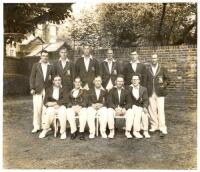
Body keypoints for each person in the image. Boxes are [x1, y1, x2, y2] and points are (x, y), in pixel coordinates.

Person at [29, 50, 55, 133]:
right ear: (40, 57)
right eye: (43, 55)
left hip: (47, 90)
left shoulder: (51, 66)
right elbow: (32, 77)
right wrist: (32, 88)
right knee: (37, 108)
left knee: (46, 109)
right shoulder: (36, 65)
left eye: (46, 56)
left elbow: (53, 79)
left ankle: (45, 126)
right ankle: (36, 126)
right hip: (37, 90)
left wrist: (52, 90)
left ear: (48, 57)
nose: (45, 57)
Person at [146, 53, 170, 137]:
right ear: (151, 59)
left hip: (160, 92)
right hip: (150, 92)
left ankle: (162, 127)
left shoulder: (162, 68)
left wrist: (163, 85)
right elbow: (146, 80)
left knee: (160, 110)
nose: (153, 60)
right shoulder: (148, 69)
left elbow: (167, 79)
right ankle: (154, 126)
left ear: (157, 59)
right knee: (152, 110)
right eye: (152, 58)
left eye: (155, 58)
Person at [126, 74, 150, 139]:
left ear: (139, 80)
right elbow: (127, 99)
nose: (135, 81)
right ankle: (135, 131)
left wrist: (145, 107)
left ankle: (145, 131)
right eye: (133, 80)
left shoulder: (143, 89)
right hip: (132, 106)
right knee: (136, 112)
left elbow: (146, 100)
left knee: (144, 114)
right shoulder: (128, 88)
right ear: (131, 81)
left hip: (141, 106)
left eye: (136, 79)